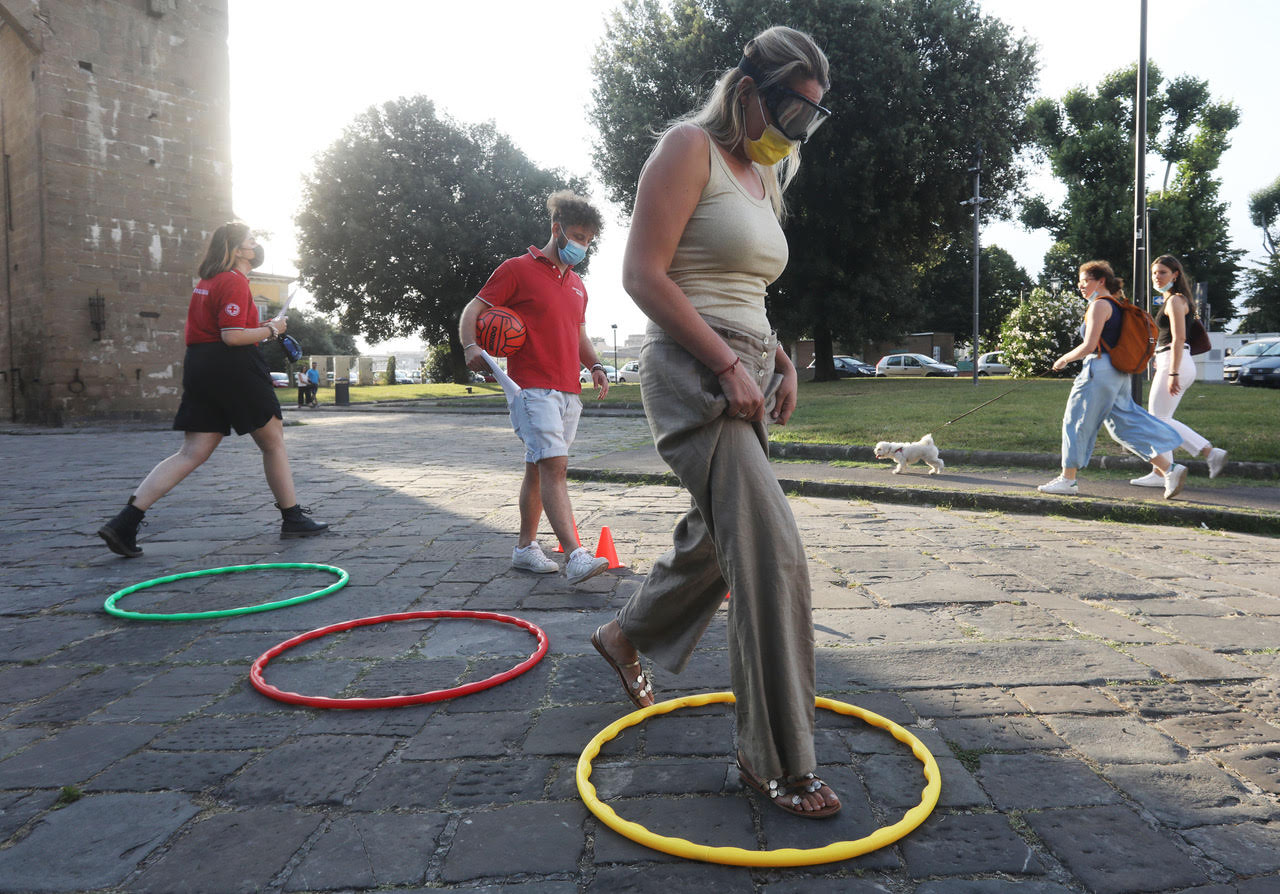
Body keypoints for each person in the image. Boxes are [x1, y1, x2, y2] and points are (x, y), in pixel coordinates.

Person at [591, 26, 841, 818]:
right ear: (751, 94)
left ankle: (627, 635)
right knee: (771, 551)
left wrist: (781, 359)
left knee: (718, 538)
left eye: (812, 119)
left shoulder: (770, 175)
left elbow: (752, 286)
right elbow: (642, 274)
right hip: (693, 371)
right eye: (795, 113)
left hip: (748, 366)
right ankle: (773, 760)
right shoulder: (686, 147)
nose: (800, 132)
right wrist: (730, 366)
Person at [96, 222, 329, 557]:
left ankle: (125, 523)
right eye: (251, 240)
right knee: (273, 440)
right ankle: (292, 519)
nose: (256, 244)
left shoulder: (207, 282)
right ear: (236, 249)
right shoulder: (233, 282)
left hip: (200, 365)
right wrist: (271, 329)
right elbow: (232, 336)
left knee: (192, 451)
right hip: (232, 366)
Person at [458, 191, 612, 586]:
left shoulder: (578, 284)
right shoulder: (516, 269)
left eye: (589, 239)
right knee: (555, 467)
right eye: (577, 235)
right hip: (531, 389)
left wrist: (593, 364)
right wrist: (471, 345)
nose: (582, 244)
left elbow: (578, 332)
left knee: (538, 468)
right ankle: (576, 554)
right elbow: (473, 311)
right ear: (556, 228)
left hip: (567, 390)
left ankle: (525, 548)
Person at [1038, 260, 1186, 499]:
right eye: (1080, 282)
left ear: (1101, 281)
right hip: (1118, 372)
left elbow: (1089, 345)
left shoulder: (1099, 305)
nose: (1081, 286)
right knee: (1124, 427)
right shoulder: (1117, 305)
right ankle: (1170, 469)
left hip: (1098, 370)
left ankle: (1068, 480)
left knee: (1075, 420)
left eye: (1085, 281)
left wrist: (1063, 359)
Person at [1129, 254, 1228, 487]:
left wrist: (1172, 372)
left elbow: (1179, 336)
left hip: (1176, 362)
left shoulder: (1175, 300)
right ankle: (1161, 473)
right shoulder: (1172, 300)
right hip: (1172, 361)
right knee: (1161, 419)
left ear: (1175, 275)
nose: (1157, 276)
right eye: (1154, 273)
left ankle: (1208, 452)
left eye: (1162, 272)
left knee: (1158, 418)